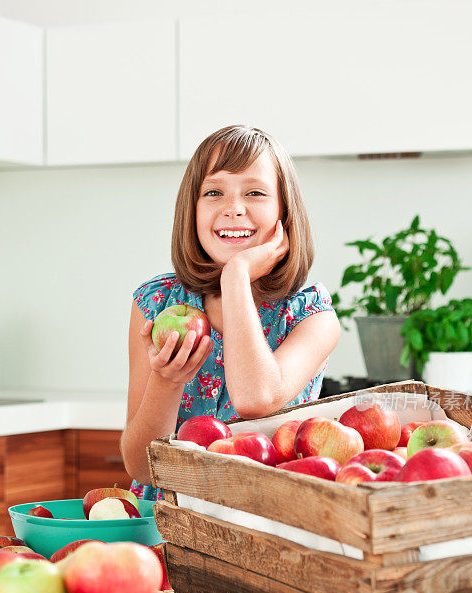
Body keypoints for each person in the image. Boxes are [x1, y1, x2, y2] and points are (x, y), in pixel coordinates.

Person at [121, 124, 341, 501]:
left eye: (255, 192)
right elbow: (141, 468)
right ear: (192, 210)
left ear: (284, 213)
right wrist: (167, 381)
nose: (233, 208)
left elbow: (256, 398)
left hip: (257, 526)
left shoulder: (311, 317)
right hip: (164, 524)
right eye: (213, 192)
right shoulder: (155, 304)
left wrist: (236, 275)